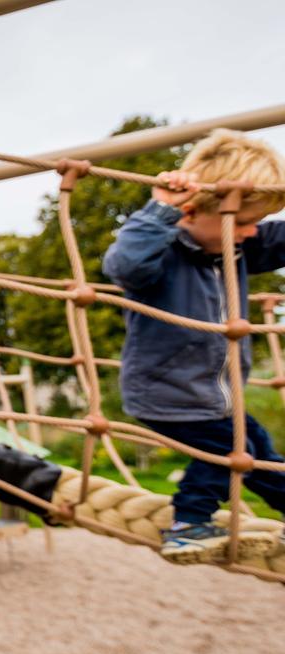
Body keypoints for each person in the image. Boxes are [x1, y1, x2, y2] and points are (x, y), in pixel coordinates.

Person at [103, 129, 285, 564]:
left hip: (216, 397)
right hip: (169, 392)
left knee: (258, 454)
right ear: (190, 210)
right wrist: (160, 206)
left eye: (254, 222)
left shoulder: (233, 248)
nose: (248, 232)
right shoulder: (161, 253)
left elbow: (275, 237)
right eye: (240, 223)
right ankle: (187, 524)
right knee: (228, 453)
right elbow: (121, 264)